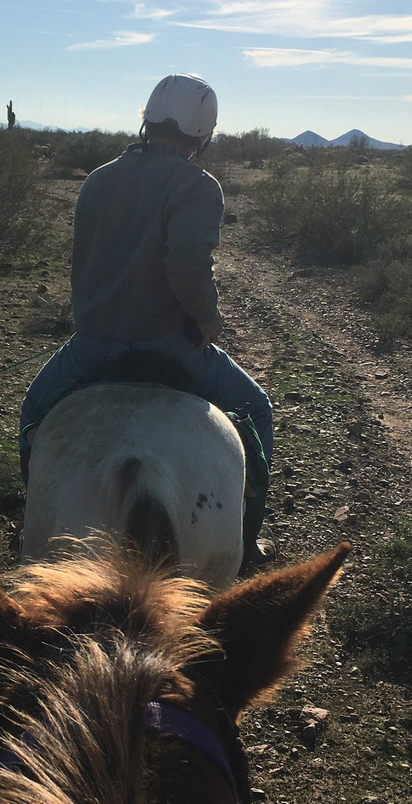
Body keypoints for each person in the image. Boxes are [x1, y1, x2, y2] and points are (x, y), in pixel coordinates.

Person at [19, 73, 275, 568]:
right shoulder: (197, 186)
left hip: (92, 344)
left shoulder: (97, 180)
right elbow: (186, 260)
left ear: (148, 119)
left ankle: (34, 517)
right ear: (203, 133)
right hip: (167, 344)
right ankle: (246, 543)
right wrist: (206, 316)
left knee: (32, 413)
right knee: (257, 409)